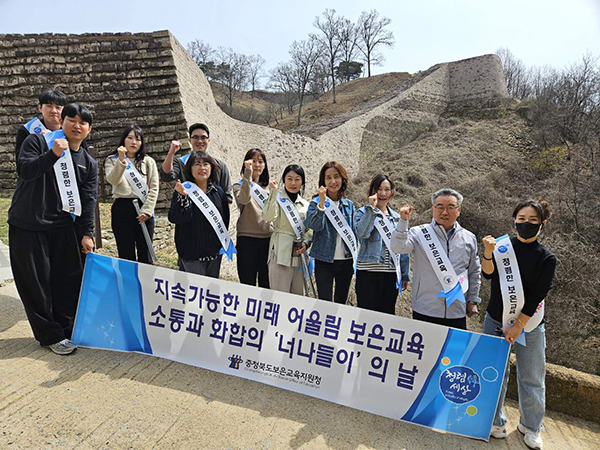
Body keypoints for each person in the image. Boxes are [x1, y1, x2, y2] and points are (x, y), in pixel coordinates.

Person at [8, 103, 97, 355]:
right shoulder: (38, 141)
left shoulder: (88, 163)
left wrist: (86, 233)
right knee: (35, 283)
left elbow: (88, 200)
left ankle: (68, 329)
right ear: (63, 121)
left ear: (89, 129)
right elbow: (24, 170)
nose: (76, 125)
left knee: (67, 281)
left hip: (61, 228)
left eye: (82, 122)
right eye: (71, 119)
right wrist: (52, 155)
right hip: (28, 223)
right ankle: (50, 335)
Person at [481, 199, 556, 450]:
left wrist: (518, 325)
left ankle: (531, 426)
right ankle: (494, 421)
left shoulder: (547, 258)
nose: (526, 224)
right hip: (495, 318)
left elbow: (537, 294)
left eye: (533, 221)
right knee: (495, 372)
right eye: (521, 219)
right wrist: (488, 253)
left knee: (532, 376)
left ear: (542, 224)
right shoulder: (502, 247)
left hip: (531, 324)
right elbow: (488, 273)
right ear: (514, 220)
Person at [390, 188, 481, 329]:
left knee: (452, 351)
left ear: (459, 210)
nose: (445, 212)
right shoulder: (419, 233)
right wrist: (403, 222)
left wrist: (473, 300)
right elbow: (398, 247)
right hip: (425, 308)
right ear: (433, 209)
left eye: (451, 207)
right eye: (440, 207)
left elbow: (474, 271)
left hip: (456, 310)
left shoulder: (469, 238)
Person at [168, 152, 230, 278]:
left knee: (211, 293)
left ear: (211, 167)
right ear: (190, 168)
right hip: (192, 254)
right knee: (194, 293)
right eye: (197, 164)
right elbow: (175, 217)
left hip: (214, 254)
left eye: (205, 164)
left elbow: (225, 219)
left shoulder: (218, 192)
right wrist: (183, 197)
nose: (202, 168)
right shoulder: (183, 189)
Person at [355, 174, 410, 314]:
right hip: (368, 273)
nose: (383, 193)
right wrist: (371, 210)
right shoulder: (362, 212)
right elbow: (361, 234)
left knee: (387, 316)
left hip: (390, 274)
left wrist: (404, 274)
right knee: (366, 316)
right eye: (379, 189)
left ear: (392, 192)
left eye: (387, 189)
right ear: (372, 190)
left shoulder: (397, 218)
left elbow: (403, 247)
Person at [105, 124, 159, 263]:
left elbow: (154, 187)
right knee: (125, 254)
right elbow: (112, 179)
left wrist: (147, 210)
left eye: (138, 139)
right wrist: (121, 161)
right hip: (122, 208)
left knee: (145, 255)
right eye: (130, 138)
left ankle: (145, 284)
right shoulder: (112, 160)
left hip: (144, 208)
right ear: (123, 140)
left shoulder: (148, 161)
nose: (134, 142)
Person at [305, 161, 357, 304]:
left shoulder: (349, 205)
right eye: (328, 178)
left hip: (346, 262)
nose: (333, 181)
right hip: (324, 261)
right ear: (323, 181)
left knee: (341, 303)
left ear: (342, 179)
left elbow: (354, 232)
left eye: (336, 176)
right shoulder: (315, 203)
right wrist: (322, 205)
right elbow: (314, 225)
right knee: (324, 303)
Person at [262, 164, 311, 295]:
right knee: (279, 296)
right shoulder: (277, 199)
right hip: (279, 252)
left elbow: (310, 229)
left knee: (298, 297)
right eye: (289, 178)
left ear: (302, 182)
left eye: (297, 179)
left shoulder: (306, 205)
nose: (293, 183)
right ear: (284, 180)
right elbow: (268, 216)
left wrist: (306, 243)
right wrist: (273, 193)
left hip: (299, 254)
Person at [160, 122, 232, 203]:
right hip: (187, 210)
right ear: (189, 140)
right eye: (195, 137)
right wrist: (171, 153)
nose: (200, 141)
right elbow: (166, 176)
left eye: (203, 137)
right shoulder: (181, 162)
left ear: (208, 140)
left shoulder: (220, 166)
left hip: (213, 212)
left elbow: (227, 196)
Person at [233, 148, 273, 288]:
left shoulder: (269, 189)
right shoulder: (238, 186)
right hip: (247, 240)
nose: (257, 165)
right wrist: (248, 175)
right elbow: (244, 200)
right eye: (253, 161)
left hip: (268, 239)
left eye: (260, 161)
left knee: (266, 285)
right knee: (247, 284)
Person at [15, 89, 68, 158]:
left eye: (58, 107)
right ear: (40, 108)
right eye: (49, 106)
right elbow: (22, 163)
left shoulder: (70, 131)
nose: (54, 111)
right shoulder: (26, 131)